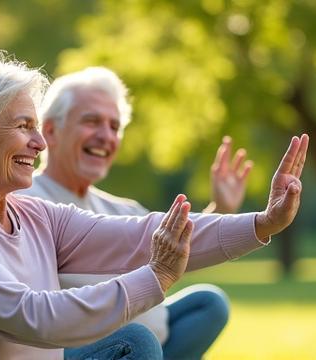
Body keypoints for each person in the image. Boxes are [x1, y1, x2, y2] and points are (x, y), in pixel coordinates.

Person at [0, 49, 310, 360]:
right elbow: (34, 315)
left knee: (185, 317)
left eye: (36, 128)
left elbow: (141, 235)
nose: (39, 144)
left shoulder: (31, 214)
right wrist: (158, 275)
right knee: (134, 343)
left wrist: (263, 222)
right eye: (24, 127)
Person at [17, 67, 253, 359]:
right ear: (50, 130)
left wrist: (222, 210)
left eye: (114, 127)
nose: (105, 136)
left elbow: (175, 255)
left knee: (208, 304)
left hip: (150, 346)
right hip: (78, 351)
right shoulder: (22, 201)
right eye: (92, 122)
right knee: (137, 340)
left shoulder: (124, 210)